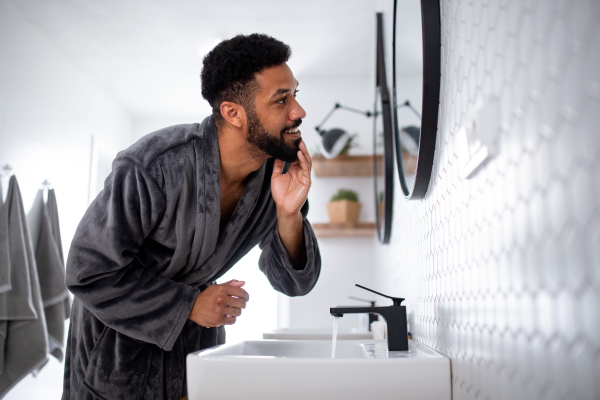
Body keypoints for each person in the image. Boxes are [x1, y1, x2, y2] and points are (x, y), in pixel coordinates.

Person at [62, 34, 321, 400]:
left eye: (295, 94)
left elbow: (294, 284)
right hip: (118, 350)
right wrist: (191, 305)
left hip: (193, 355)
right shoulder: (154, 165)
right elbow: (87, 271)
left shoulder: (275, 176)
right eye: (282, 98)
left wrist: (288, 213)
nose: (299, 111)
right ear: (233, 113)